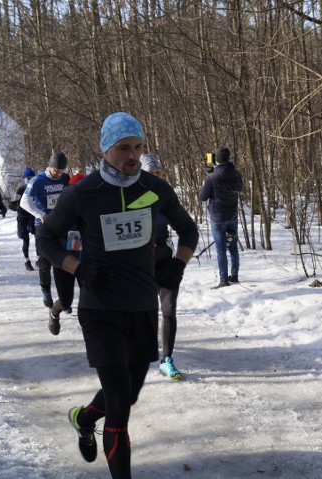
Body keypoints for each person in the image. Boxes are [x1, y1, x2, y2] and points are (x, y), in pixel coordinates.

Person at [36, 112, 198, 478]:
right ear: (106, 149)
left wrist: (178, 265)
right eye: (124, 148)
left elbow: (188, 230)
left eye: (138, 147)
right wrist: (77, 268)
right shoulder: (83, 193)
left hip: (142, 308)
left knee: (127, 395)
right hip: (101, 309)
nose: (133, 156)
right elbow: (45, 238)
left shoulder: (153, 189)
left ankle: (85, 416)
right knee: (121, 407)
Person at [20, 152, 75, 334]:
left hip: (63, 225)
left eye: (61, 170)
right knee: (45, 260)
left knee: (64, 258)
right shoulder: (37, 181)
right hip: (44, 227)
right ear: (49, 166)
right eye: (56, 170)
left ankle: (63, 301)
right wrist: (41, 215)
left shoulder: (65, 179)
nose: (59, 173)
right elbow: (24, 202)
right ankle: (46, 290)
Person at [140, 153, 183, 380]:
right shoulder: (133, 196)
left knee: (168, 311)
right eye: (152, 174)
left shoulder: (166, 195)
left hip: (166, 259)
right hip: (141, 264)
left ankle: (167, 360)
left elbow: (183, 224)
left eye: (159, 173)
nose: (157, 177)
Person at [199, 145, 243, 289]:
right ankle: (234, 276)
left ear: (216, 159)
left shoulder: (212, 177)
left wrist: (207, 179)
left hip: (218, 218)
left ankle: (224, 280)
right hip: (233, 215)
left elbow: (203, 197)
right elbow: (239, 188)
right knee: (233, 247)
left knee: (221, 249)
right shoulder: (236, 174)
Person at [10, 167, 36, 271]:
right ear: (24, 179)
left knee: (38, 237)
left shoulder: (37, 188)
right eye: (27, 178)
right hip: (22, 217)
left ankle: (39, 259)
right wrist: (20, 207)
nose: (29, 179)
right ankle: (27, 260)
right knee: (26, 240)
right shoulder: (20, 190)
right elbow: (11, 204)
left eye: (31, 177)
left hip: (33, 216)